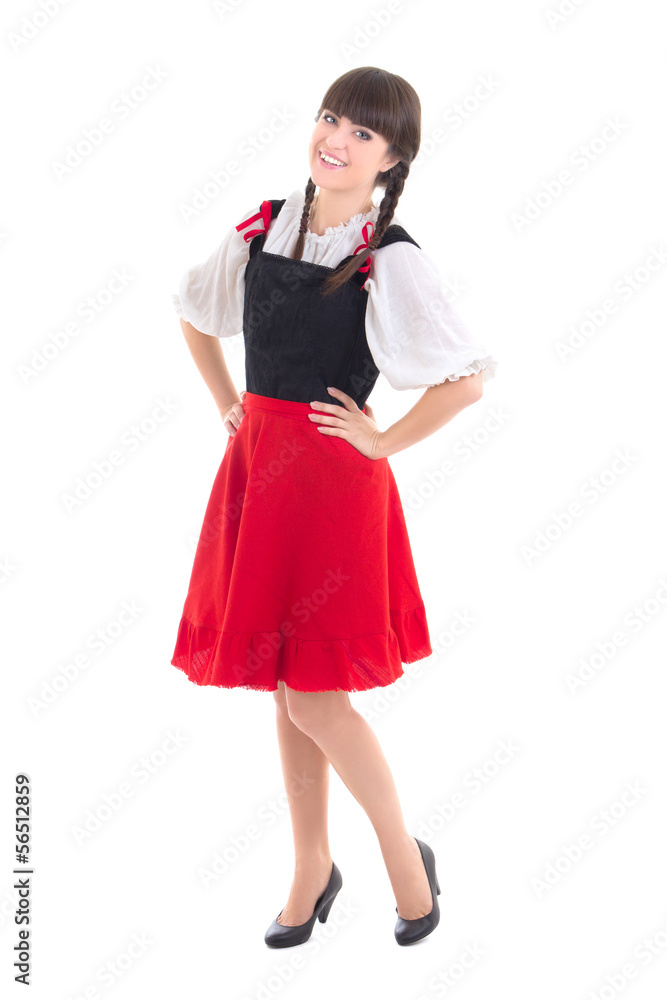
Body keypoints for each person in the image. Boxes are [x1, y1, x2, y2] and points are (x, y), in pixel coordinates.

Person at [170, 66, 497, 947]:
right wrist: (227, 405)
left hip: (332, 486)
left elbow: (465, 381)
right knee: (286, 687)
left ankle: (404, 863)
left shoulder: (387, 255)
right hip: (258, 468)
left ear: (391, 159)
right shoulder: (264, 226)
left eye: (361, 133)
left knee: (316, 696)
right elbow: (193, 313)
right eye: (329, 119)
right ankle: (312, 866)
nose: (335, 140)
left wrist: (384, 442)